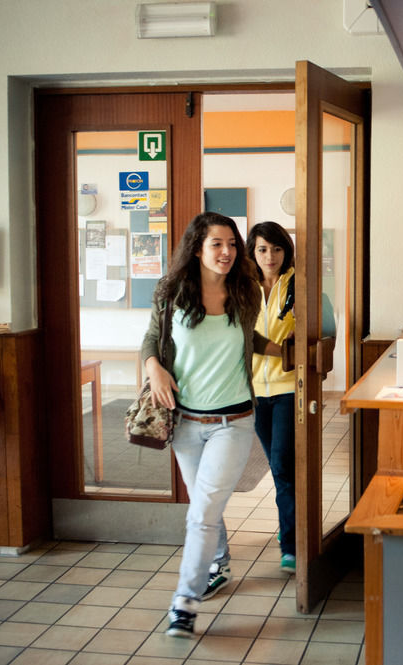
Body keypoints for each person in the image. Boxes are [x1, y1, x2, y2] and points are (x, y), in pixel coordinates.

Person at [141, 212, 273, 638]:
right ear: (197, 247)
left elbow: (246, 337)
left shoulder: (245, 291)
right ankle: (218, 561)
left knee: (201, 514)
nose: (227, 252)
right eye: (217, 244)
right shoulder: (172, 291)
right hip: (185, 422)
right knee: (204, 508)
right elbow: (151, 340)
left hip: (232, 421)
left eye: (233, 244)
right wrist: (153, 369)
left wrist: (284, 351)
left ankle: (185, 600)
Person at [246, 221, 298, 573]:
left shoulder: (298, 283)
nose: (270, 256)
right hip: (251, 390)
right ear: (252, 251)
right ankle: (289, 526)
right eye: (263, 249)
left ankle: (291, 544)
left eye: (277, 249)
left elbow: (317, 330)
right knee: (279, 469)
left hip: (287, 388)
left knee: (282, 465)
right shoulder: (241, 288)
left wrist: (285, 352)